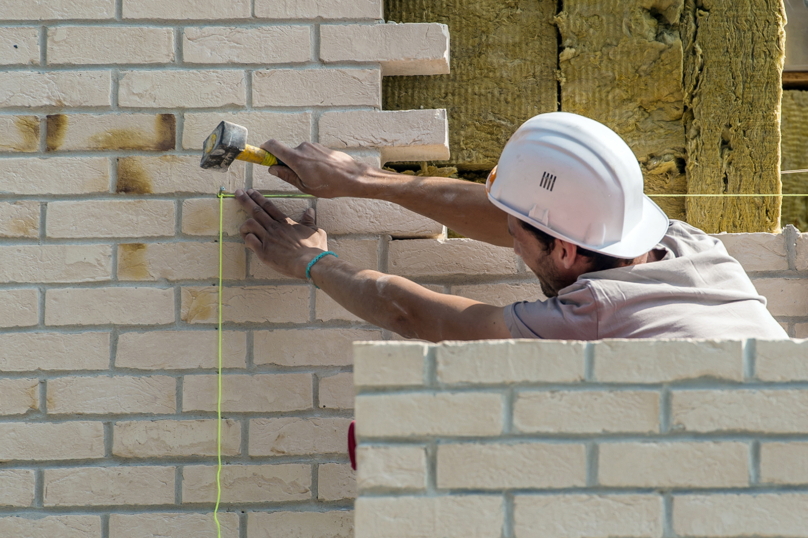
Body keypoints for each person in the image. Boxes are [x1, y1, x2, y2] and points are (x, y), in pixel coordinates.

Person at [235, 112, 788, 342]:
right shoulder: (692, 248)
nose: (508, 240)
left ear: (568, 251)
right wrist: (360, 180)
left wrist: (309, 259)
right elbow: (513, 219)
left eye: (516, 237)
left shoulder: (595, 314)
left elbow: (414, 314)